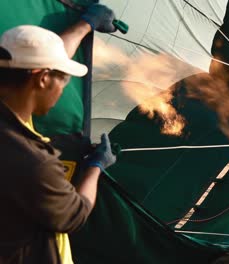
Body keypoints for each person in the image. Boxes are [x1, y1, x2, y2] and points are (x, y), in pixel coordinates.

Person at [0, 4, 117, 264]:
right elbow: (75, 214)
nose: (64, 89)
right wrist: (96, 166)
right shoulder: (33, 161)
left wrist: (85, 24)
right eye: (63, 79)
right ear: (42, 79)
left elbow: (45, 58)